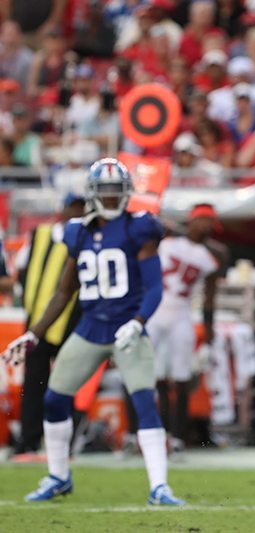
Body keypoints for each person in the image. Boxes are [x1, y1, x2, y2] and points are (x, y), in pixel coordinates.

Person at [2, 158, 184, 505]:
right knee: (54, 400)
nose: (112, 198)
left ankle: (159, 487)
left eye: (117, 192)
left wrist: (139, 322)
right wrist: (34, 333)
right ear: (93, 193)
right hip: (89, 329)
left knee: (145, 401)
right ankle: (58, 476)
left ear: (127, 193)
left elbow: (155, 288)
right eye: (106, 192)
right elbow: (63, 291)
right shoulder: (79, 232)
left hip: (127, 329)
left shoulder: (139, 228)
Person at [146, 203, 224, 453]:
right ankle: (144, 433)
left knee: (181, 379)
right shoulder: (165, 242)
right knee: (148, 375)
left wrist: (209, 334)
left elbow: (210, 298)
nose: (206, 226)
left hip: (181, 313)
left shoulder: (211, 257)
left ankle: (178, 436)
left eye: (210, 222)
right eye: (202, 220)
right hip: (155, 311)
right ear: (191, 220)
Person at [12, 193, 85, 458]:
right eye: (72, 208)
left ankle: (65, 446)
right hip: (37, 323)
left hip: (71, 322)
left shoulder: (85, 237)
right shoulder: (39, 236)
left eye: (81, 208)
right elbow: (21, 270)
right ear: (62, 210)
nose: (76, 213)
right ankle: (28, 443)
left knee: (68, 385)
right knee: (34, 384)